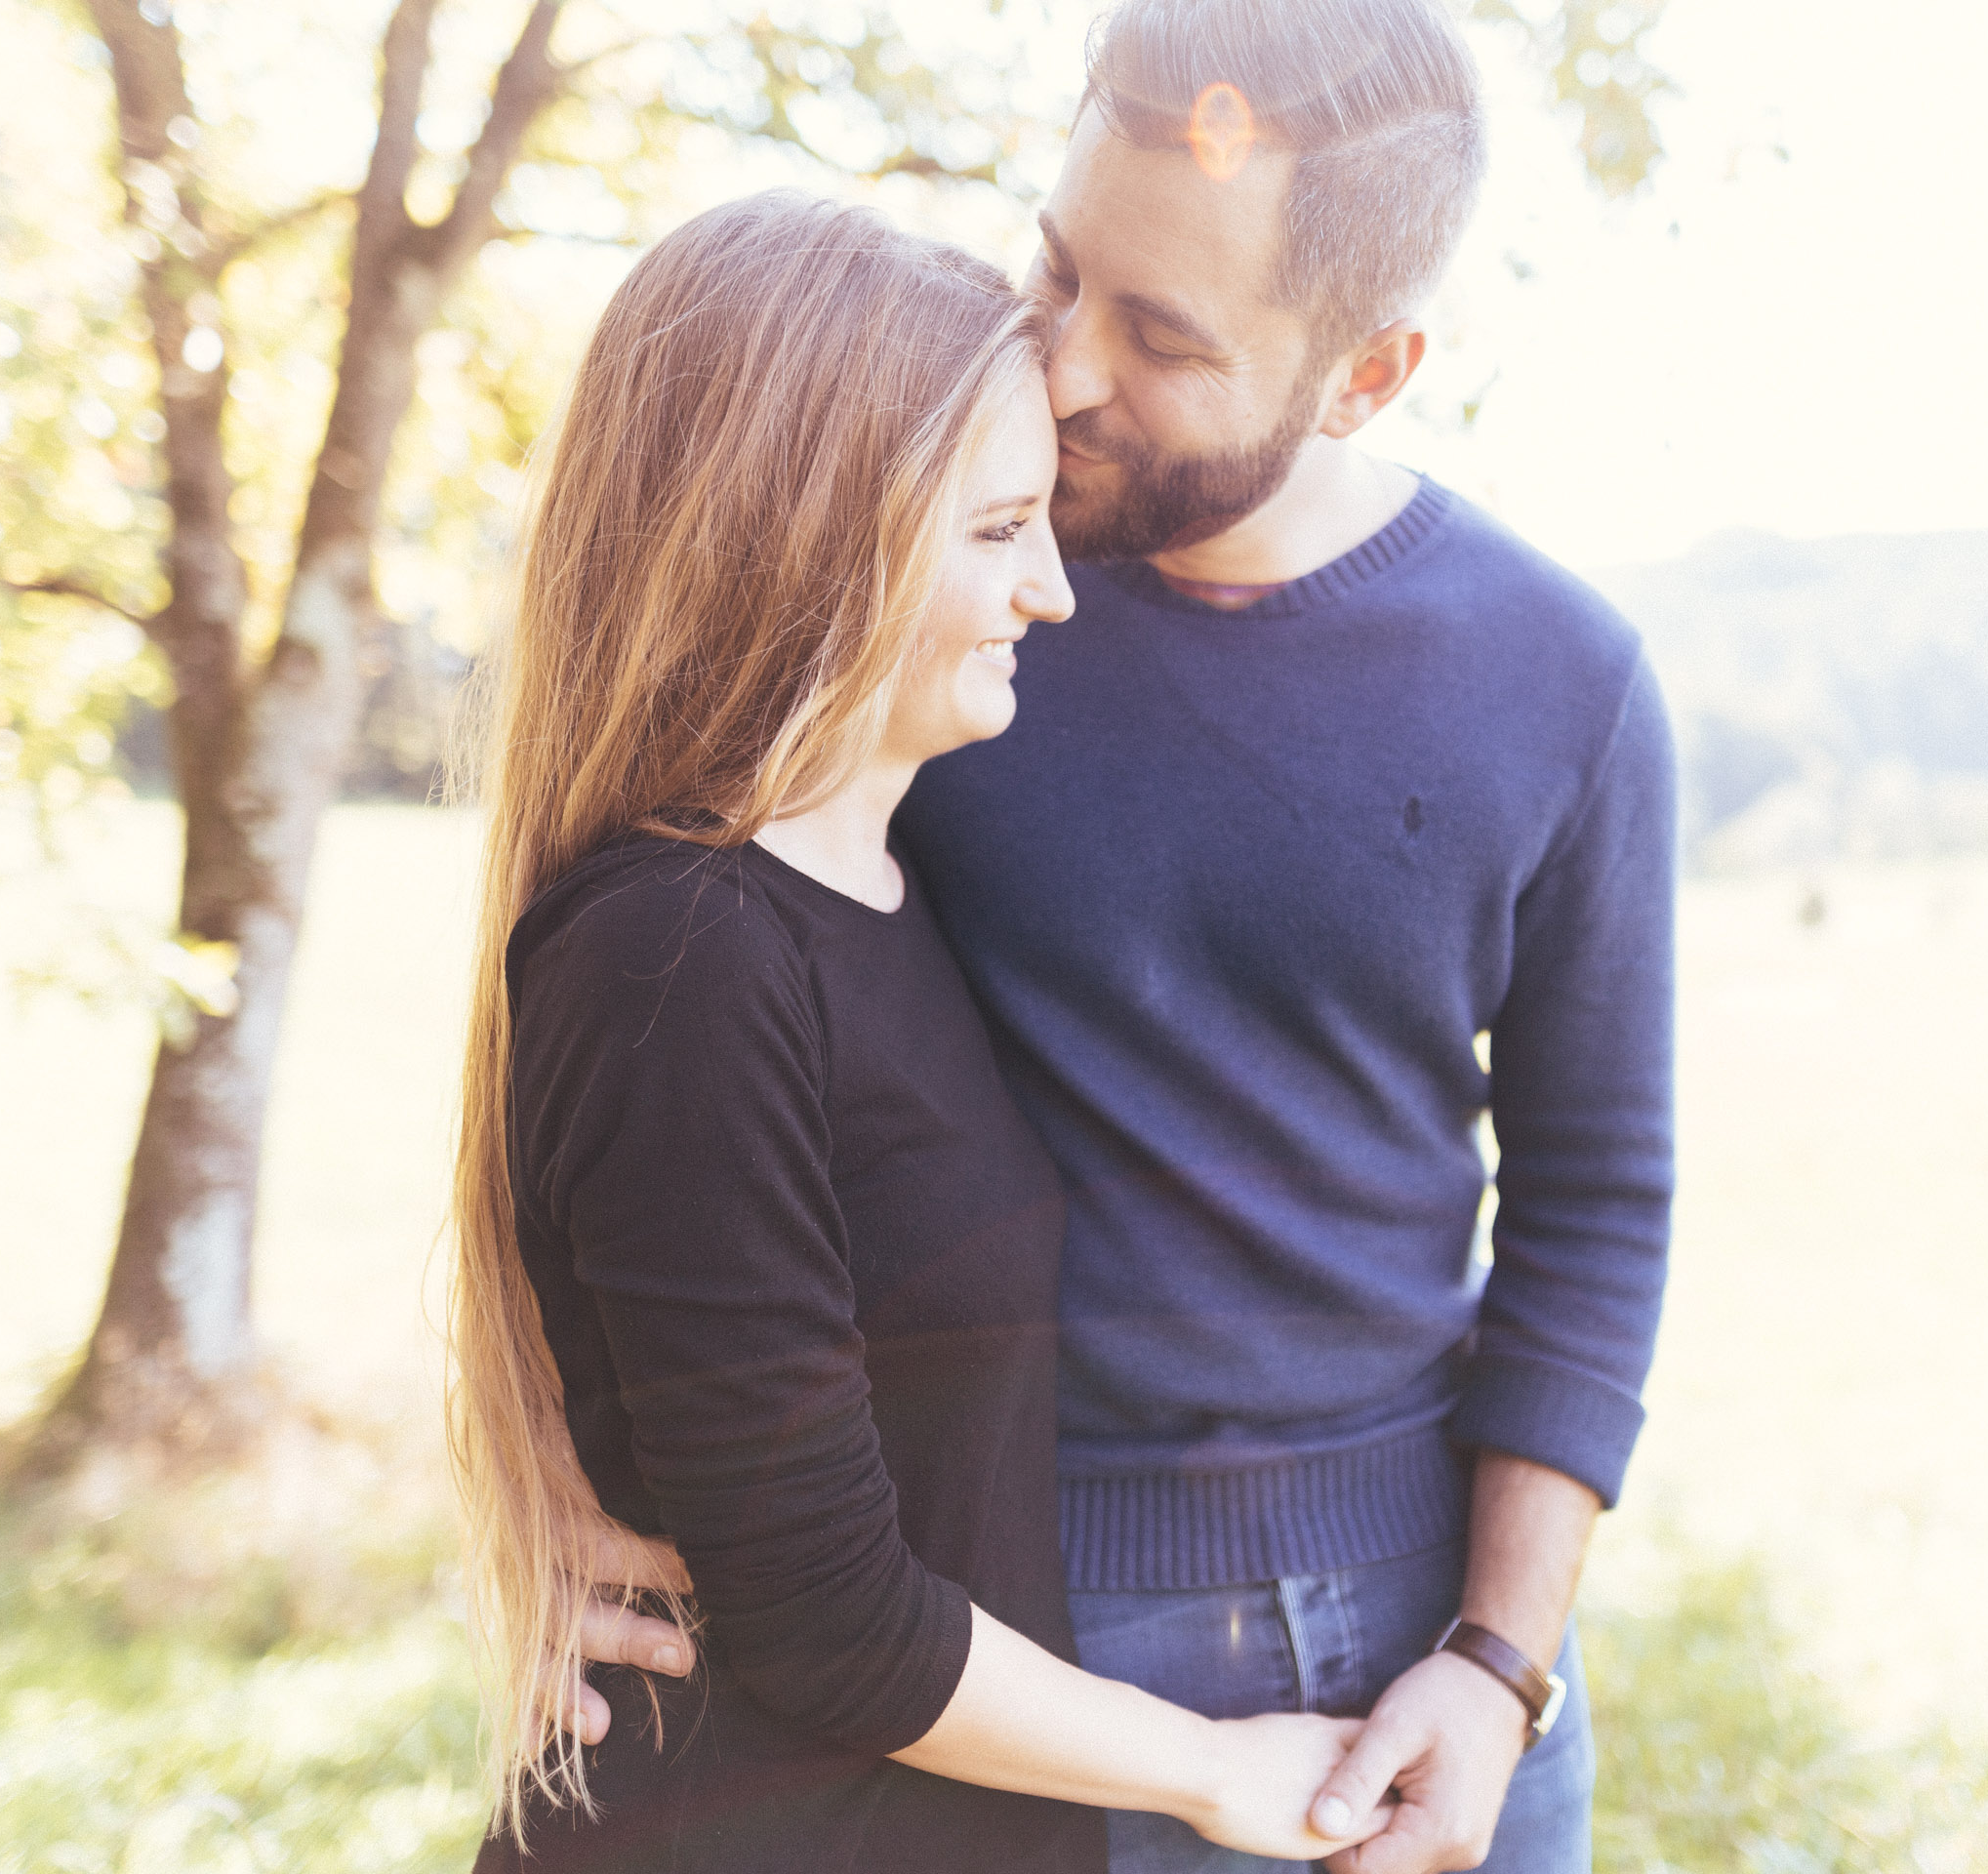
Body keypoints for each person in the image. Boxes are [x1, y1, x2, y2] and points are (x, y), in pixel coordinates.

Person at [588, 2, 1678, 1867]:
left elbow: (1597, 1196)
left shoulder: (1562, 681)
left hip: (1426, 1632)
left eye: (1163, 337)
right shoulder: (926, 619)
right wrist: (543, 1466)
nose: (1067, 370)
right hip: (996, 1617)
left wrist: (1499, 1661)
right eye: (1058, 266)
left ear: (1368, 372)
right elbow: (630, 1019)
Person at [447, 190, 1401, 1874]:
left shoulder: (890, 885)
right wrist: (1210, 1768)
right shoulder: (684, 952)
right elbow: (829, 1617)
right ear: (803, 533)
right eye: (994, 530)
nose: (1052, 591)